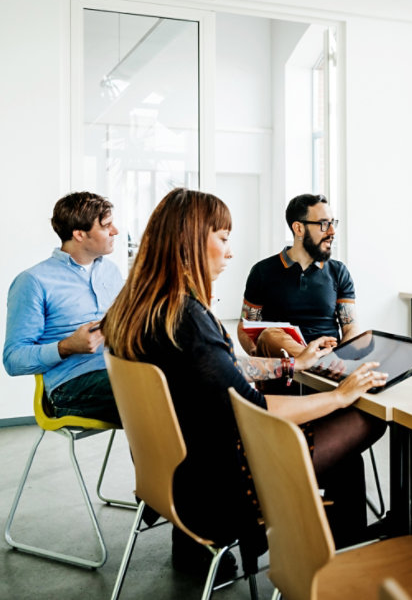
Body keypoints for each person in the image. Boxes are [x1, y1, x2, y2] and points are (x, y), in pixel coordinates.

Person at [101, 188, 386, 576]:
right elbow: (254, 406)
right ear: (190, 242)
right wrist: (340, 396)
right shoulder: (186, 318)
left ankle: (338, 536)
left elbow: (225, 366)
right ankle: (350, 551)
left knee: (335, 417)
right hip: (220, 485)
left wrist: (290, 367)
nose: (230, 252)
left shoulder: (138, 310)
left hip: (174, 471)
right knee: (366, 417)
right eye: (223, 238)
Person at [3, 192, 123, 422]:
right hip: (71, 387)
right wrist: (67, 346)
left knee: (190, 378)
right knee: (161, 394)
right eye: (107, 225)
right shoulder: (33, 281)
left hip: (121, 369)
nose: (115, 231)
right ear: (79, 234)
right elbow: (13, 359)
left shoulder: (111, 272)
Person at [236, 193, 358, 359]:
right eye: (323, 224)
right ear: (299, 228)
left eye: (332, 223)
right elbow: (246, 326)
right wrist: (257, 354)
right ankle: (312, 361)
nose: (332, 231)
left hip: (330, 360)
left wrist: (343, 359)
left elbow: (350, 327)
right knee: (270, 335)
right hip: (284, 364)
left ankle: (315, 363)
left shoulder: (339, 271)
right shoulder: (262, 271)